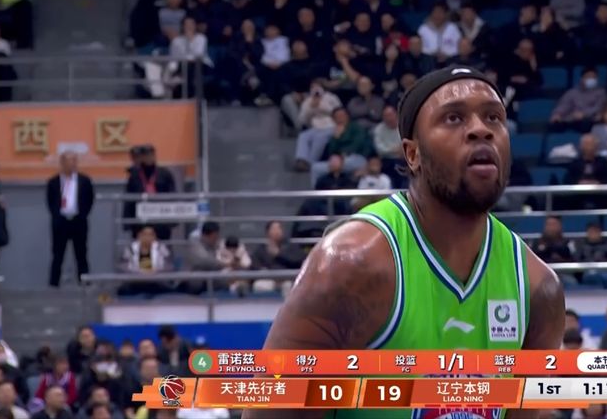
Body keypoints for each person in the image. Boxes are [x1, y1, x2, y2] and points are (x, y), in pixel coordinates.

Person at [242, 66, 565, 419]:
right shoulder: (350, 264)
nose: (480, 129)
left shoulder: (539, 289)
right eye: (454, 118)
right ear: (412, 155)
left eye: (493, 117)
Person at [46, 151, 94, 287]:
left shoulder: (85, 181)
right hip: (60, 222)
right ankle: (53, 285)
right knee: (58, 255)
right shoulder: (53, 182)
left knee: (81, 255)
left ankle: (85, 284)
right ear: (62, 163)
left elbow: (90, 200)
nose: (72, 163)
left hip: (78, 222)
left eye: (74, 160)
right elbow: (50, 202)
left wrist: (82, 214)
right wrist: (57, 215)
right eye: (69, 160)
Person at [123, 145, 176, 241]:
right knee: (141, 245)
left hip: (161, 217)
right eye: (146, 155)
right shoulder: (134, 175)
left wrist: (173, 219)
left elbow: (172, 195)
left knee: (162, 245)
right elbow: (129, 199)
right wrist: (127, 222)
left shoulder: (164, 173)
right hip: (140, 218)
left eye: (151, 155)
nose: (149, 158)